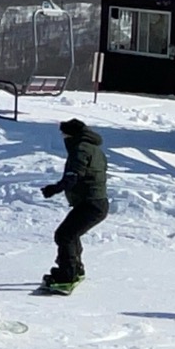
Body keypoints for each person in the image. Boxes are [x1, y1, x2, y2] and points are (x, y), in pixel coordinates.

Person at [39, 118, 109, 292]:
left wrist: (54, 189)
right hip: (96, 202)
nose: (62, 137)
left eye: (64, 134)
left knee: (65, 235)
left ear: (71, 134)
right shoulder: (94, 149)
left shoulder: (81, 149)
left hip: (91, 203)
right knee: (70, 234)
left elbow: (74, 175)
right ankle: (75, 269)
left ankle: (67, 276)